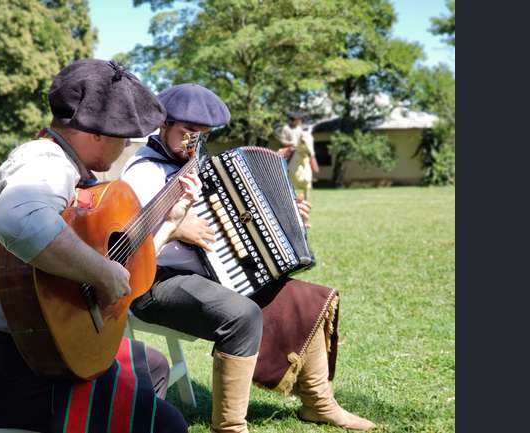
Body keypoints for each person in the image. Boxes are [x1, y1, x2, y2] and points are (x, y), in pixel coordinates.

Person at [0, 59, 199, 433]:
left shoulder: (69, 167)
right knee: (169, 426)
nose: (127, 144)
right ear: (95, 133)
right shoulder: (44, 162)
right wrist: (100, 272)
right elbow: (21, 222)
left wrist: (170, 223)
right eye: (123, 134)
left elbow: (123, 267)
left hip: (28, 350)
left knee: (153, 366)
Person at [120, 83, 375, 431]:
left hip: (210, 272)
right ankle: (229, 427)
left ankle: (319, 402)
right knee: (241, 316)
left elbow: (237, 222)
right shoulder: (143, 172)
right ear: (163, 124)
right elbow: (128, 245)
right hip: (155, 282)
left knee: (304, 297)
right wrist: (176, 228)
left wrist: (288, 219)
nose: (193, 142)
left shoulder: (199, 164)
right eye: (187, 133)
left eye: (202, 135)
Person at [276, 112, 318, 201]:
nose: (299, 121)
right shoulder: (286, 128)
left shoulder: (300, 129)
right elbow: (283, 140)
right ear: (293, 120)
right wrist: (290, 143)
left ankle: (311, 175)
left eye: (299, 120)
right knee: (281, 157)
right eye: (297, 119)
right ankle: (282, 174)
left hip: (299, 148)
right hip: (289, 148)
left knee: (309, 155)